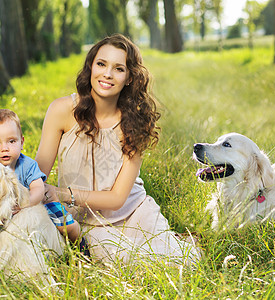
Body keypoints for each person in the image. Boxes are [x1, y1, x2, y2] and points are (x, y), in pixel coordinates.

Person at [35, 34, 200, 265]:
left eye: (118, 68)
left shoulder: (136, 121)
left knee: (185, 261)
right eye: (101, 64)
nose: (107, 74)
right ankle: (171, 241)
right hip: (86, 221)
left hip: (135, 211)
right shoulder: (61, 110)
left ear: (130, 77)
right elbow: (37, 176)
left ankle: (179, 244)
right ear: (91, 66)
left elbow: (117, 198)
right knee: (130, 259)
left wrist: (62, 194)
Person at [0, 109, 82, 244]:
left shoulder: (27, 165)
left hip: (38, 204)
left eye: (11, 141)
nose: (4, 148)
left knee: (67, 225)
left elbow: (38, 190)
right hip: (3, 209)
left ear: (21, 142)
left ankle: (80, 247)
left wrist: (25, 203)